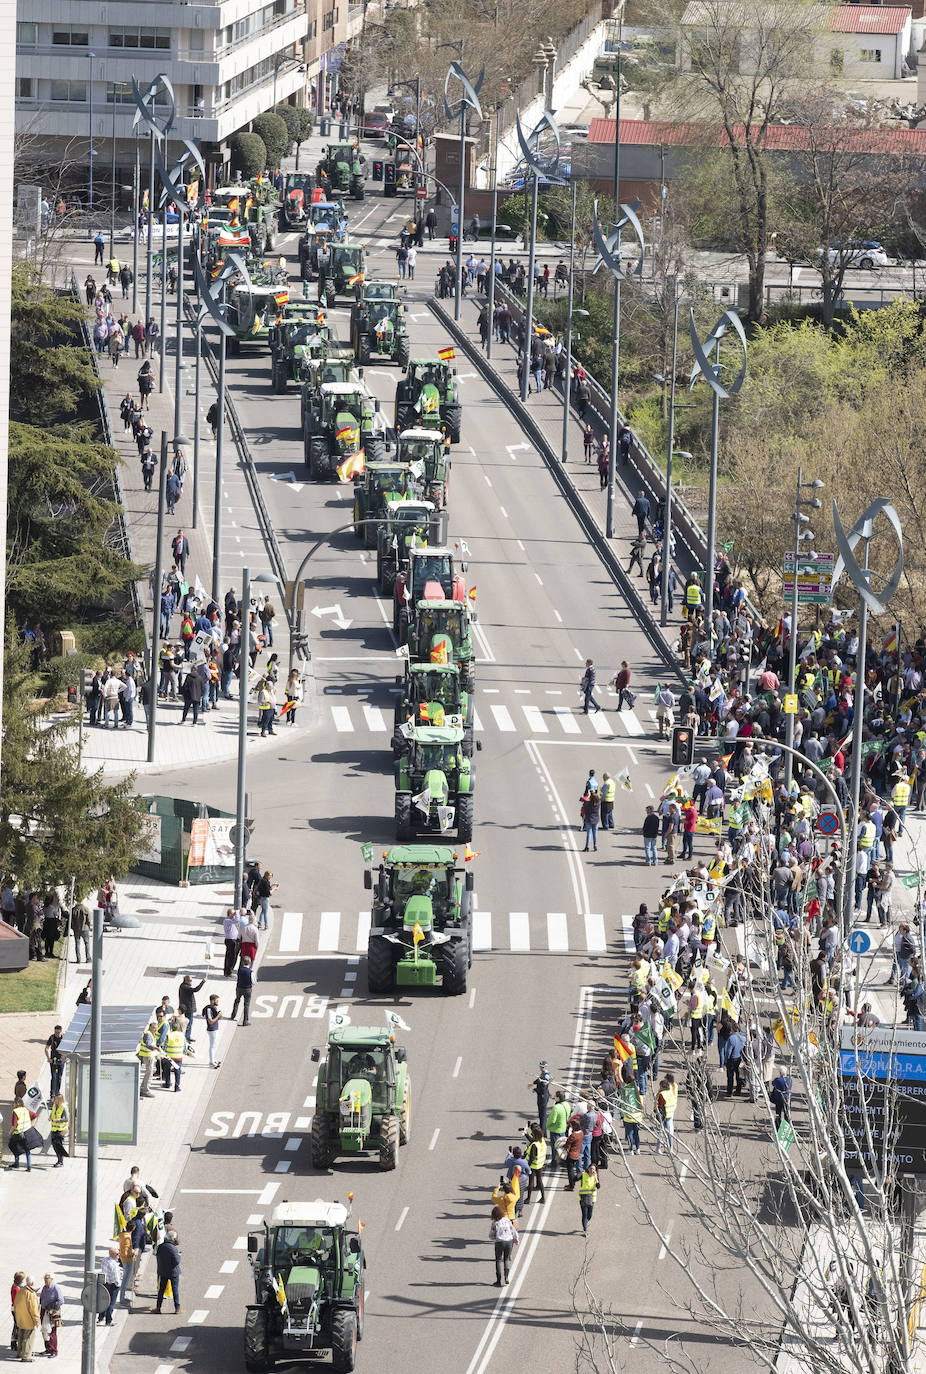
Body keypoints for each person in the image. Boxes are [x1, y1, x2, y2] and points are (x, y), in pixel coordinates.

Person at [489, 1206, 517, 1286]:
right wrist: (516, 1238)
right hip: (509, 1241)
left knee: (498, 1260)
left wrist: (495, 1238)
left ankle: (498, 1280)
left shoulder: (495, 1223)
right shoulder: (507, 1220)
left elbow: (491, 1235)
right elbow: (513, 1230)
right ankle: (506, 1277)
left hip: (499, 1242)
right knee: (506, 1259)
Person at [12, 1278, 39, 1362]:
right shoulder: (31, 1294)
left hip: (21, 1319)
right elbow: (33, 1309)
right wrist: (37, 1320)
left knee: (21, 1337)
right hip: (29, 1321)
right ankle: (26, 1356)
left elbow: (15, 1304)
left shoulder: (21, 1291)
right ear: (33, 1283)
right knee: (28, 1338)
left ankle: (19, 1353)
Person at [155, 1231, 182, 1314]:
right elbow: (176, 1261)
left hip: (163, 1271)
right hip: (173, 1272)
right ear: (173, 1238)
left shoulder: (161, 1246)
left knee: (161, 1291)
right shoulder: (173, 1248)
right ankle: (177, 1308)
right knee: (175, 1290)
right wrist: (179, 1255)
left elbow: (158, 1257)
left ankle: (158, 1307)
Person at [178, 975, 205, 1048]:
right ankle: (186, 1038)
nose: (191, 982)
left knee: (189, 1023)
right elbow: (196, 989)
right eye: (190, 980)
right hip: (188, 1008)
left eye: (191, 980)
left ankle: (188, 1036)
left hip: (187, 1008)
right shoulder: (185, 987)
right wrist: (202, 982)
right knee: (188, 1023)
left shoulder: (183, 986)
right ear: (186, 980)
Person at [38, 1275, 62, 1358]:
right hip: (44, 1311)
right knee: (45, 1331)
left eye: (47, 1279)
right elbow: (41, 1299)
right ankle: (48, 1348)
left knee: (52, 1332)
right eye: (44, 1279)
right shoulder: (44, 1288)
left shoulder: (56, 1288)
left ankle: (54, 1350)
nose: (45, 1281)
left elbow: (61, 1301)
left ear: (51, 1279)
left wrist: (52, 1308)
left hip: (52, 1313)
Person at [655, 1073, 678, 1154]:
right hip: (670, 1111)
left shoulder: (663, 1093)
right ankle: (670, 1147)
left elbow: (659, 1105)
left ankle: (658, 1148)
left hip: (663, 1113)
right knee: (669, 1131)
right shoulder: (673, 1087)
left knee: (660, 1131)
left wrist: (658, 1093)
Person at [524, 1124, 547, 1203]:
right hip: (540, 1164)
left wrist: (528, 1165)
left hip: (533, 1165)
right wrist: (526, 1133)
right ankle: (543, 1198)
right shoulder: (542, 1141)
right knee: (540, 1181)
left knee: (531, 1182)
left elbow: (532, 1157)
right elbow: (532, 1140)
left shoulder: (534, 1145)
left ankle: (528, 1199)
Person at [99, 1248, 122, 1327]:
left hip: (105, 1283)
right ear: (112, 1254)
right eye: (117, 1254)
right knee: (111, 1303)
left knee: (104, 1301)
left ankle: (100, 1318)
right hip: (113, 1285)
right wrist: (119, 1284)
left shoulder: (104, 1260)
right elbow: (116, 1277)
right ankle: (108, 1321)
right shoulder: (114, 1264)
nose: (119, 1255)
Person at [577, 1164, 599, 1233]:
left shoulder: (595, 1177)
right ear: (588, 1169)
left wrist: (596, 1178)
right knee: (584, 1214)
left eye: (593, 1169)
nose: (592, 1170)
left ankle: (585, 1223)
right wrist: (580, 1173)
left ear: (595, 1171)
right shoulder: (584, 1175)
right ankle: (585, 1229)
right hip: (583, 1198)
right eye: (591, 1168)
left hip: (591, 1199)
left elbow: (598, 1186)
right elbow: (574, 1179)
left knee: (590, 1215)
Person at [232, 956, 254, 1026]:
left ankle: (233, 1015)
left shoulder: (239, 970)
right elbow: (254, 982)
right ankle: (245, 1021)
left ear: (242, 962)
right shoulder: (250, 972)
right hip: (247, 989)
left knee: (237, 1000)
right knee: (246, 1005)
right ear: (249, 963)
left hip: (239, 988)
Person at [45, 1026, 64, 1100]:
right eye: (56, 1032)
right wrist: (48, 1058)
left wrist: (64, 1056)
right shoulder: (52, 1038)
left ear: (61, 1031)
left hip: (61, 1060)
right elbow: (46, 1048)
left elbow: (67, 1048)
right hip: (53, 1060)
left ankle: (57, 1092)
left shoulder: (63, 1038)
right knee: (54, 1077)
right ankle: (52, 1094)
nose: (57, 1034)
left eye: (58, 1033)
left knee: (59, 1077)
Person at [49, 1094, 68, 1168]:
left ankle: (60, 1161)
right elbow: (53, 1113)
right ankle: (59, 1160)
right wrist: (50, 1117)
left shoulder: (63, 1107)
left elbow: (66, 1119)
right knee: (54, 1145)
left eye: (56, 1099)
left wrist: (58, 1120)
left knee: (59, 1146)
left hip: (61, 1130)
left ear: (59, 1100)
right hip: (54, 1129)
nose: (54, 1100)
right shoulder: (54, 1106)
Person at [203, 994, 222, 1068]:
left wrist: (219, 1015)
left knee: (214, 1045)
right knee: (212, 1046)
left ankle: (213, 1060)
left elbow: (217, 1018)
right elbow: (210, 1021)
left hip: (215, 1028)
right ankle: (211, 1061)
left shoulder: (214, 1007)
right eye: (217, 1000)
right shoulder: (209, 1009)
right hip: (212, 1029)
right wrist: (218, 1016)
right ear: (212, 1000)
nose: (218, 1002)